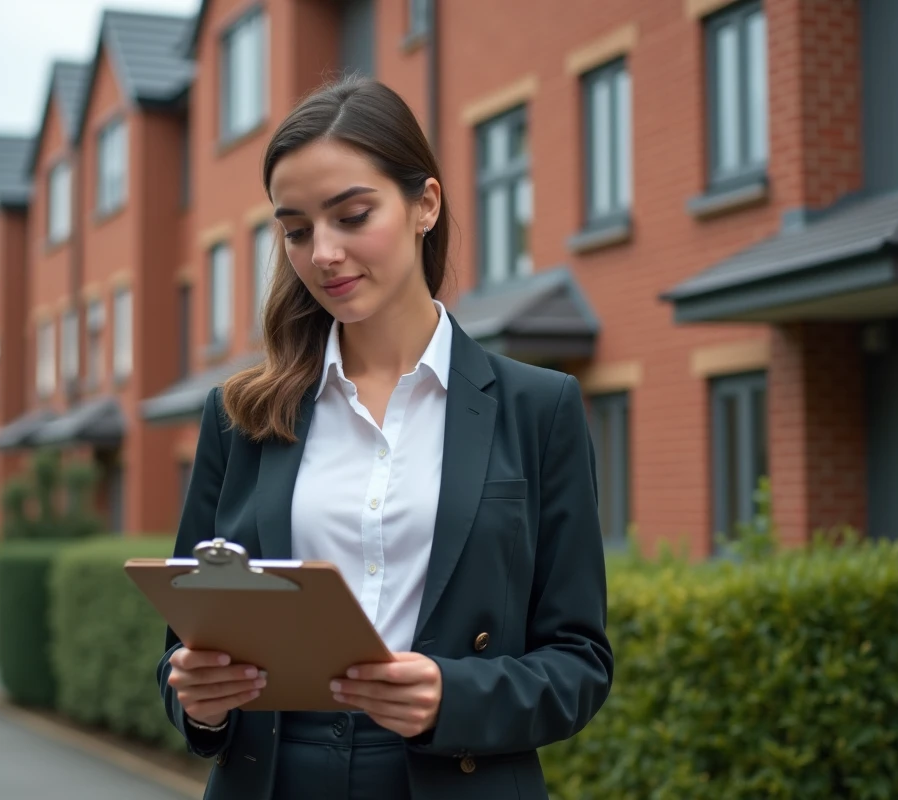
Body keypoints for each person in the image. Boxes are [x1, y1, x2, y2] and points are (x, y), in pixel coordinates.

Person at [157, 76, 613, 800]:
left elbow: (580, 662)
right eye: (298, 230)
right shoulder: (242, 414)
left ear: (424, 204)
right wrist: (200, 702)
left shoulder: (539, 408)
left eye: (352, 215)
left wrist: (451, 697)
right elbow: (184, 649)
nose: (324, 254)